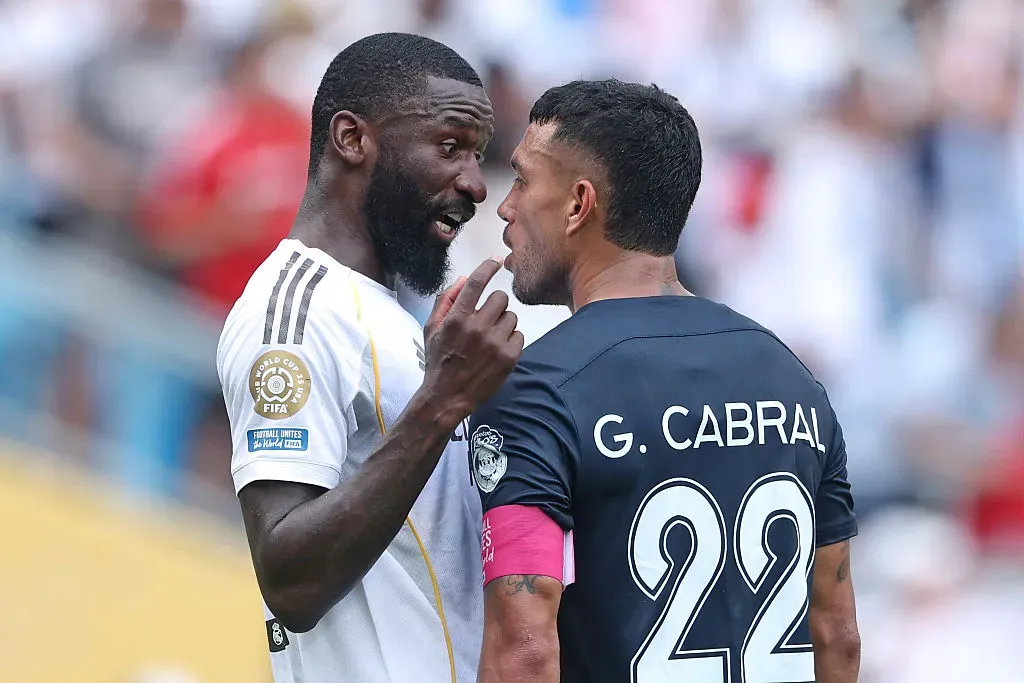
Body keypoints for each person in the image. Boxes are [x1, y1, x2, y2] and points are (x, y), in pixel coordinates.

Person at [471, 79, 860, 683]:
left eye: (521, 179)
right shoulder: (793, 379)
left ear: (579, 204)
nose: (506, 205)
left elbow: (525, 651)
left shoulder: (537, 390)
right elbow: (836, 633)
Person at [217, 33, 524, 683]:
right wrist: (443, 401)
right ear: (352, 139)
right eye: (449, 147)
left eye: (477, 155)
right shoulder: (294, 311)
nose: (473, 183)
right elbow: (289, 581)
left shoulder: (394, 314)